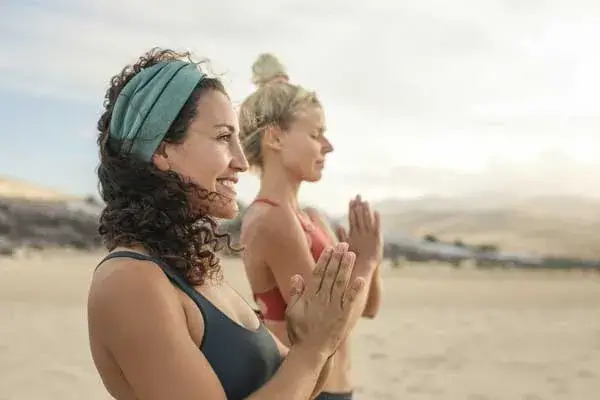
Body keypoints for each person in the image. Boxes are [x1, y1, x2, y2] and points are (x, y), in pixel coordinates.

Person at [86, 47, 375, 400]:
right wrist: (312, 349)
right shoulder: (128, 282)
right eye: (223, 137)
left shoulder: (198, 271)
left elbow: (302, 385)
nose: (240, 161)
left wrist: (315, 340)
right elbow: (304, 365)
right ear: (161, 151)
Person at [238, 53, 383, 399]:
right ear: (275, 138)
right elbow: (327, 329)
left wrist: (369, 263)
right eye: (316, 134)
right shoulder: (270, 219)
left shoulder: (311, 219)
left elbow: (370, 308)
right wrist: (365, 261)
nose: (328, 146)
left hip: (337, 389)